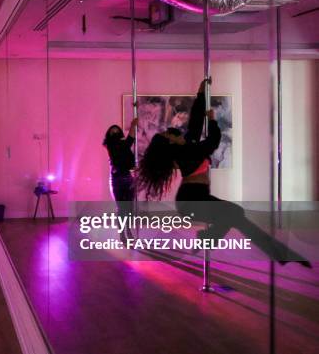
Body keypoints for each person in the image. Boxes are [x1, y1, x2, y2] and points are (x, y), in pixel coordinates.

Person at [137, 79, 310, 267]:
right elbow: (213, 141)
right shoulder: (187, 152)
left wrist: (201, 92)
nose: (171, 132)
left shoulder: (189, 143)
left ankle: (279, 253)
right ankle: (211, 238)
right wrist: (212, 120)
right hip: (191, 200)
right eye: (168, 135)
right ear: (170, 142)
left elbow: (195, 119)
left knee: (236, 216)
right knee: (235, 213)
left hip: (198, 197)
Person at [103, 118, 138, 241]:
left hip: (128, 177)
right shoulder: (110, 144)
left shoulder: (124, 144)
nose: (115, 133)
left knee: (128, 208)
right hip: (117, 179)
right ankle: (122, 233)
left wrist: (133, 126)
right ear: (109, 134)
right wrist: (133, 126)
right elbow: (125, 145)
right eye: (112, 131)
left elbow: (129, 142)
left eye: (117, 131)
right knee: (121, 208)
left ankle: (127, 231)